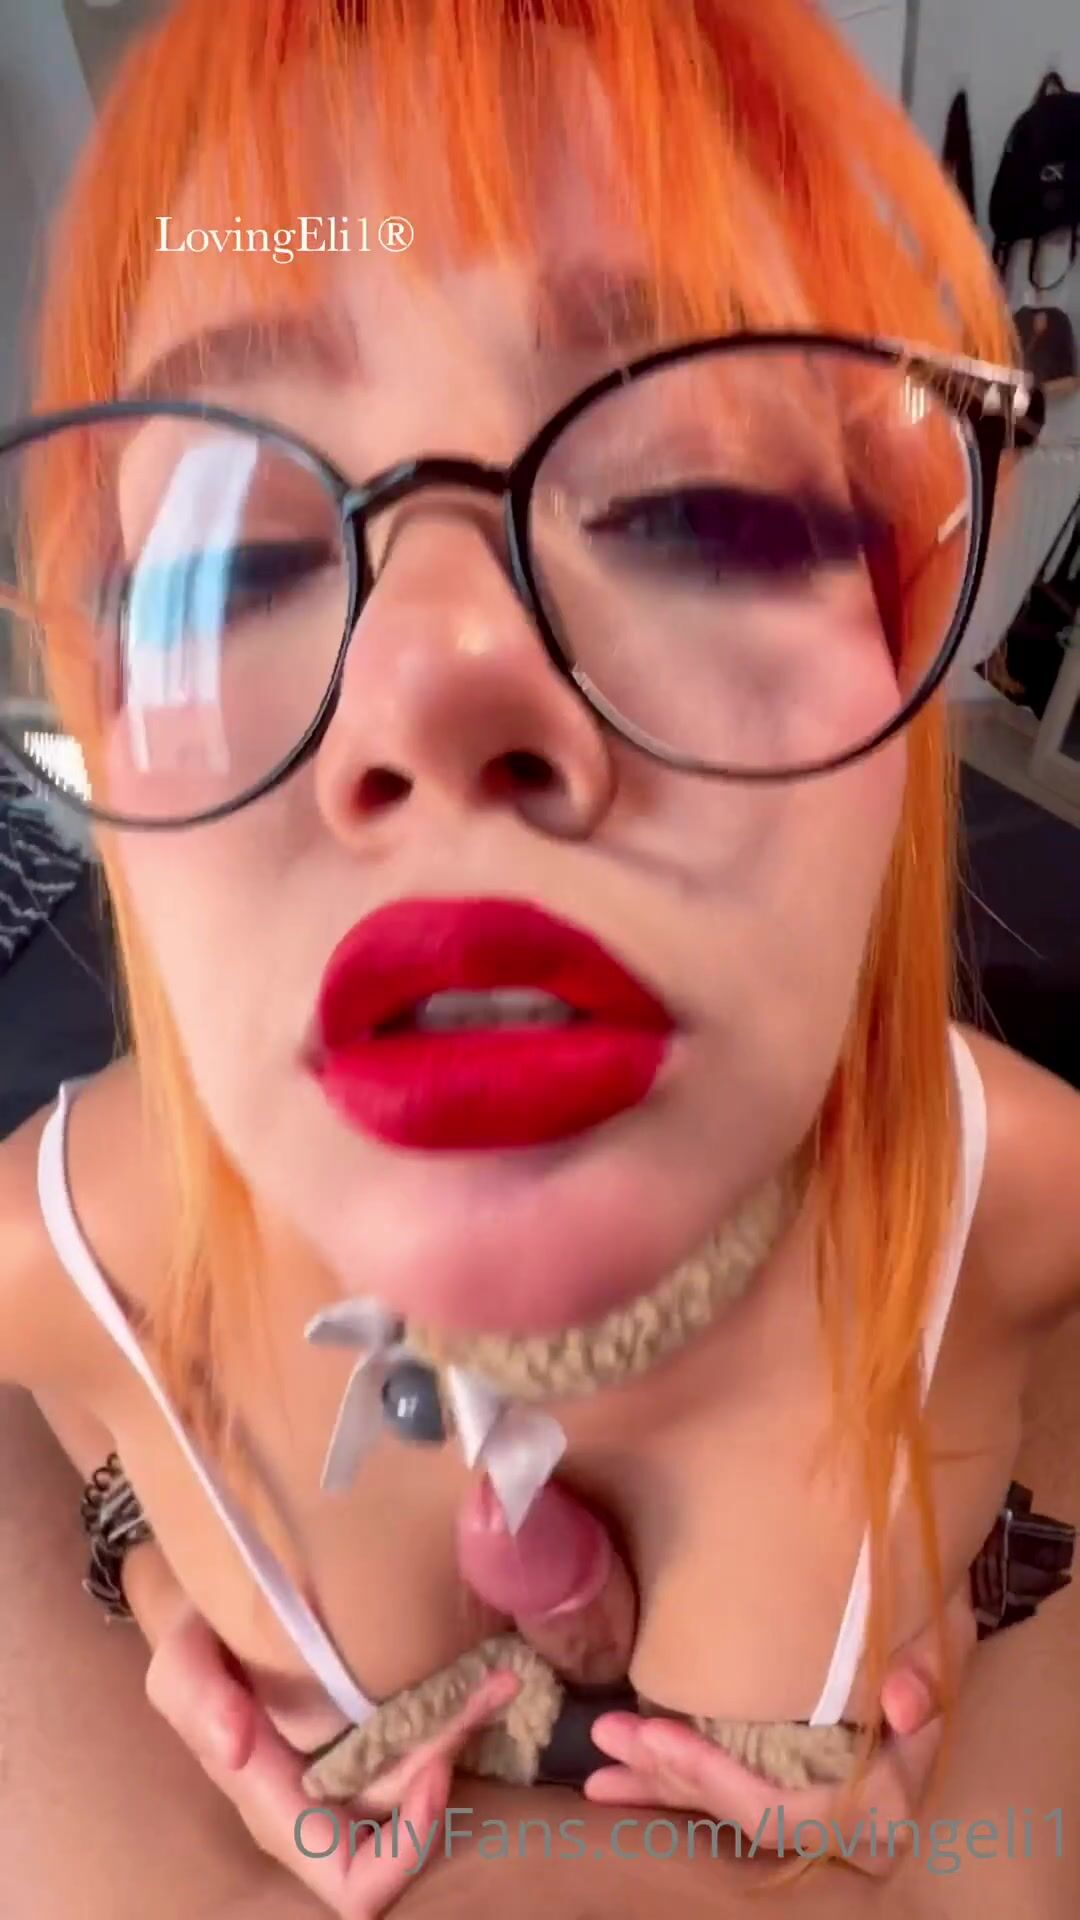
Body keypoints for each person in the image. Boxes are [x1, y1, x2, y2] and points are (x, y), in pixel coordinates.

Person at [1, 0, 1078, 1911]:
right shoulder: (62, 1255)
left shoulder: (1030, 1211)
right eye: (234, 556)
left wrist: (1008, 1560)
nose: (435, 679)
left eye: (695, 500)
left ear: (909, 617)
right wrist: (130, 1539)